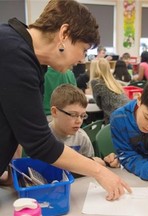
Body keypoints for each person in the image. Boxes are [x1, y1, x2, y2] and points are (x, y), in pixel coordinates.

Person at [0, 0, 131, 200]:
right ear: (64, 34)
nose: (82, 60)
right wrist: (99, 171)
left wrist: (11, 169)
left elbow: (17, 124)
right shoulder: (13, 51)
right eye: (84, 50)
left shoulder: (32, 61)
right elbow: (40, 143)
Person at [89, 58, 130, 123]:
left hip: (115, 122)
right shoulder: (113, 82)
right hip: (128, 117)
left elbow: (100, 105)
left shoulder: (96, 82)